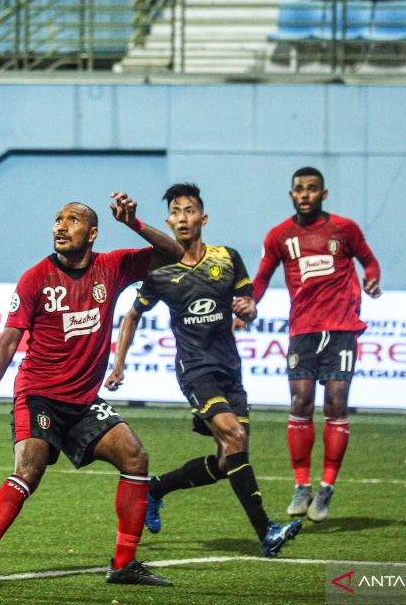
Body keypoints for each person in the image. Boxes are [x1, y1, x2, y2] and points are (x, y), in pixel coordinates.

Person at [0, 195, 185, 589]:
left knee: (135, 457)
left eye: (73, 220)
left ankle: (124, 564)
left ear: (92, 233)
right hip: (39, 394)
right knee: (29, 468)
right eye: (58, 219)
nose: (61, 226)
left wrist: (134, 223)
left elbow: (175, 252)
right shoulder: (35, 278)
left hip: (83, 401)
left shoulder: (112, 267)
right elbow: (9, 339)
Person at [105, 183, 302, 558]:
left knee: (228, 458)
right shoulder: (160, 271)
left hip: (230, 369)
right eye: (176, 212)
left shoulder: (227, 258)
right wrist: (118, 365)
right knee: (234, 437)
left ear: (203, 218)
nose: (183, 217)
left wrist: (248, 310)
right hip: (195, 370)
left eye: (189, 210)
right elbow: (132, 315)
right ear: (168, 220)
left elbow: (248, 303)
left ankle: (155, 489)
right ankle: (267, 531)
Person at [250, 167, 381, 523]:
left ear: (323, 194)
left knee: (336, 403)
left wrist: (370, 280)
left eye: (311, 189)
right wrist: (248, 303)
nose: (305, 194)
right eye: (299, 189)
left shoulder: (345, 229)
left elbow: (369, 261)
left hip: (341, 328)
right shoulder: (279, 235)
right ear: (291, 194)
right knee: (300, 402)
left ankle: (326, 488)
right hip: (303, 330)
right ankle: (302, 485)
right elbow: (261, 277)